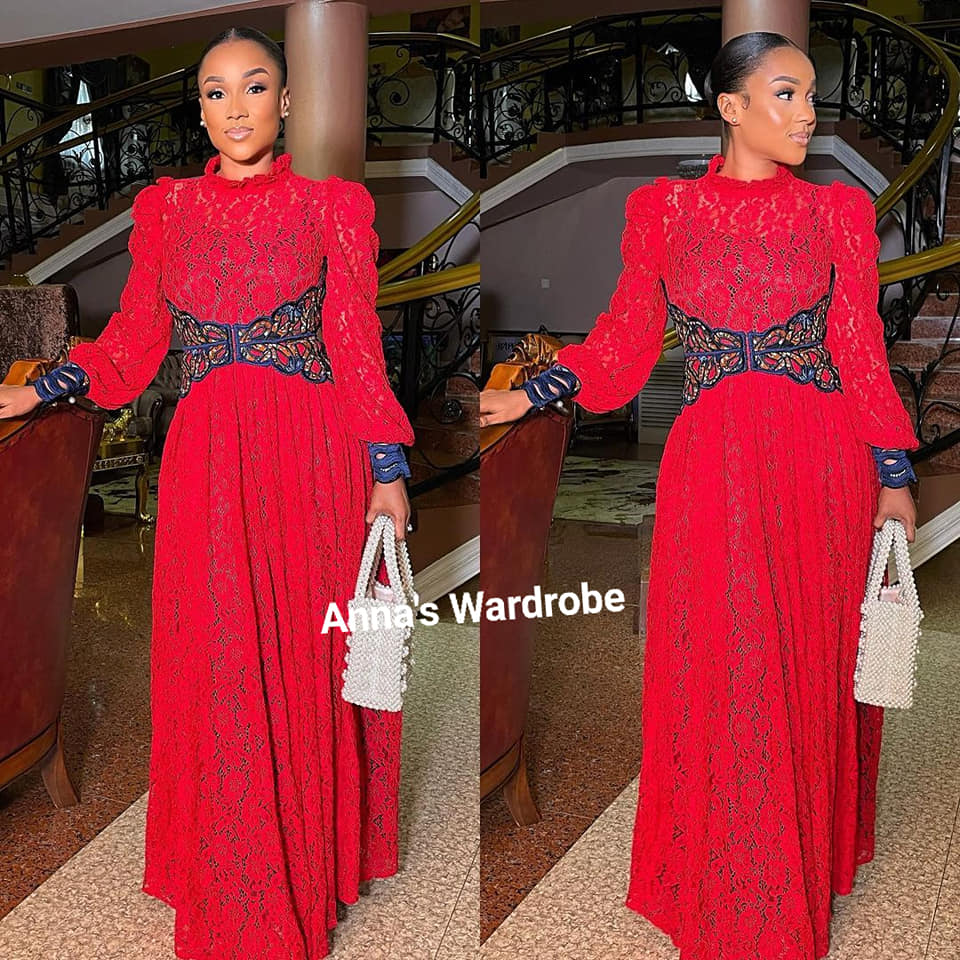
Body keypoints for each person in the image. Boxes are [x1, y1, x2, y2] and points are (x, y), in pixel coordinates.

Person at [480, 31, 918, 960]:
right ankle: (727, 868)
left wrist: (893, 475)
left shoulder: (837, 212)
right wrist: (538, 389)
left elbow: (859, 351)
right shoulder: (664, 210)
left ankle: (796, 863)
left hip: (819, 460)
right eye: (787, 94)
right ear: (731, 106)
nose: (809, 114)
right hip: (711, 462)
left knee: (802, 655)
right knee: (722, 657)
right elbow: (626, 336)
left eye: (811, 95)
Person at [0, 26, 415, 960]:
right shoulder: (167, 211)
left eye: (255, 86)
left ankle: (301, 867)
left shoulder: (330, 206)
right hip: (206, 461)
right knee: (217, 655)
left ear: (287, 102)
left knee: (303, 652)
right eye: (216, 91)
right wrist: (45, 385)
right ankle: (229, 871)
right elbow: (134, 341)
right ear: (199, 110)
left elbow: (354, 345)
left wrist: (387, 471)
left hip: (308, 454)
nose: (236, 107)